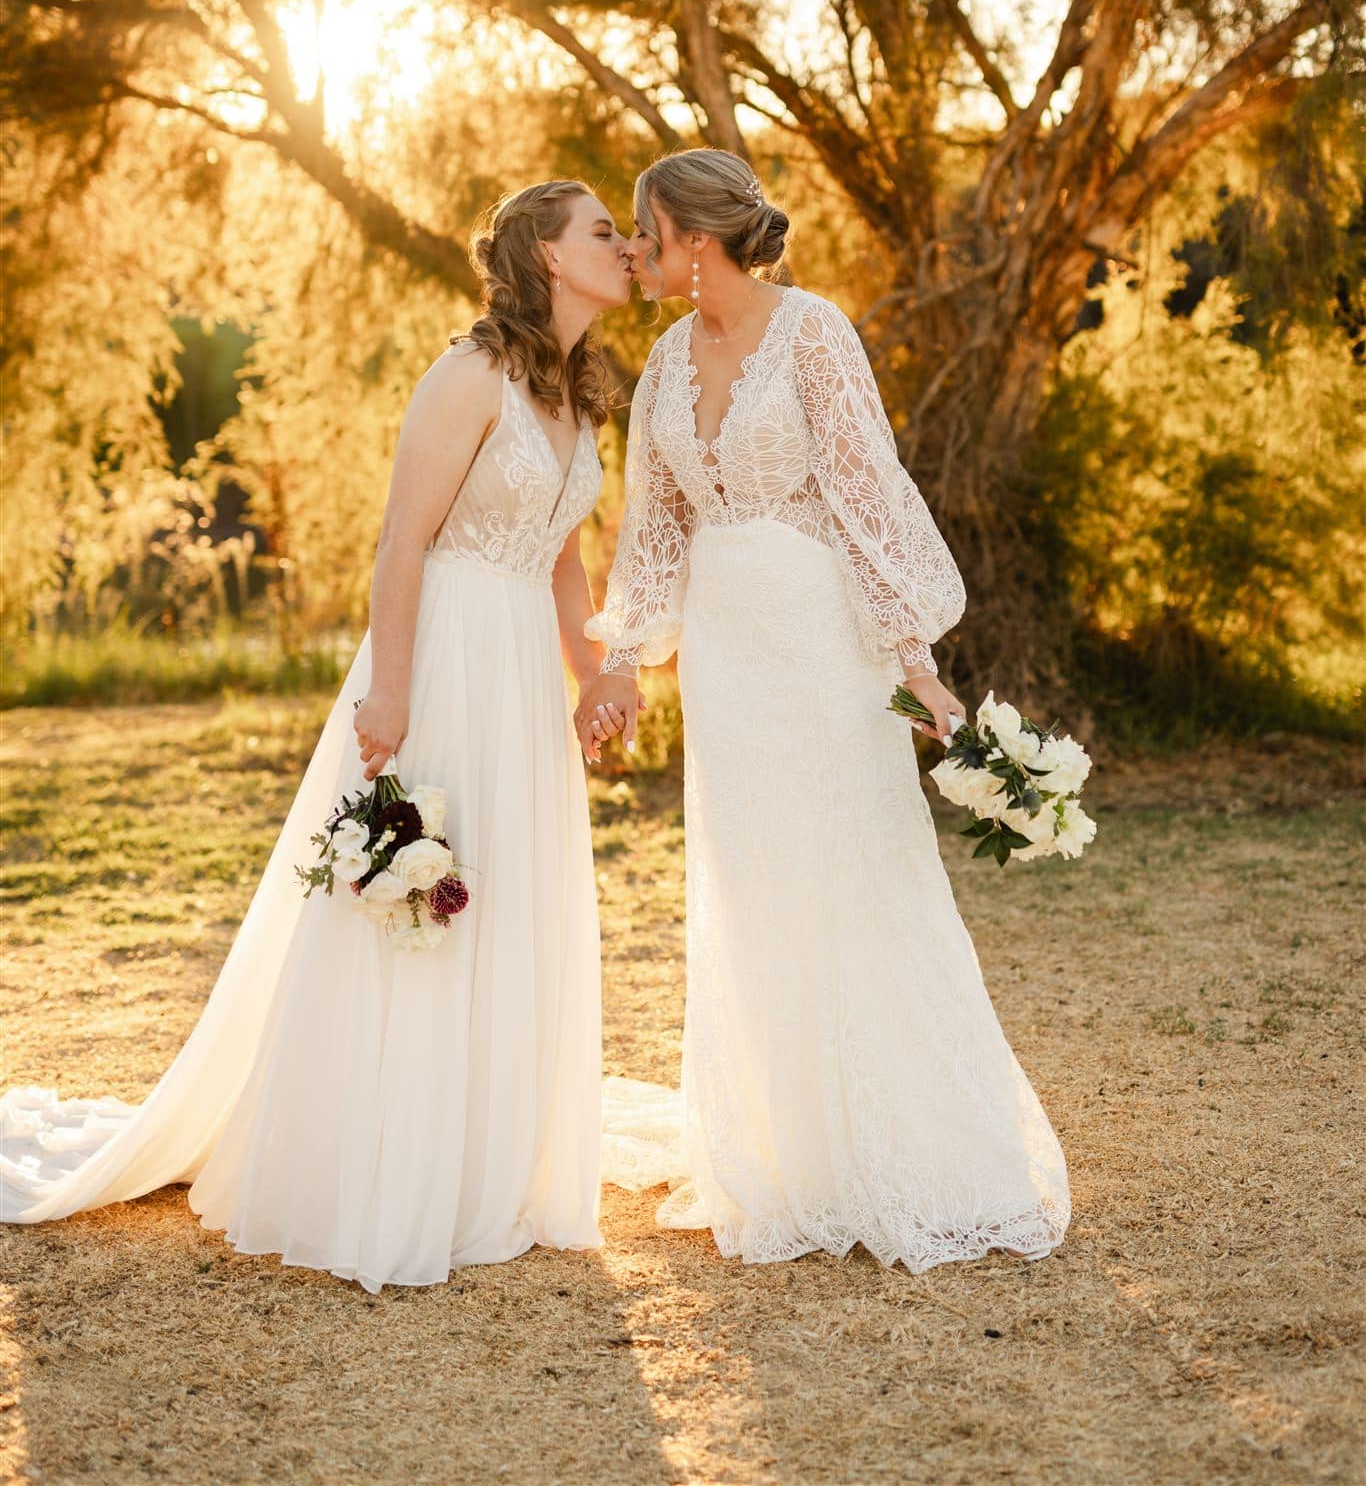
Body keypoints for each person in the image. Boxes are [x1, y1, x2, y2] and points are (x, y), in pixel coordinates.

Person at [1, 180, 634, 1293]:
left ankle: (487, 1162)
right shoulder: (469, 374)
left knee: (510, 901)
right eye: (602, 232)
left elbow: (563, 557)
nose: (626, 246)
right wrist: (388, 693)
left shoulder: (577, 394)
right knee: (417, 903)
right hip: (441, 659)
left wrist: (595, 678)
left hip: (525, 681)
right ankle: (385, 1167)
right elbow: (401, 542)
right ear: (544, 252)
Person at [575, 149, 1070, 1272]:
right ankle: (784, 1153)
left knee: (859, 871)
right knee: (751, 889)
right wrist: (625, 663)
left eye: (646, 231)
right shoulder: (659, 357)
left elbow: (868, 502)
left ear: (695, 240)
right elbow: (651, 529)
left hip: (821, 645)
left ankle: (916, 1152)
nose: (636, 251)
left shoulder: (813, 332)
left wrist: (918, 665)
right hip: (727, 665)